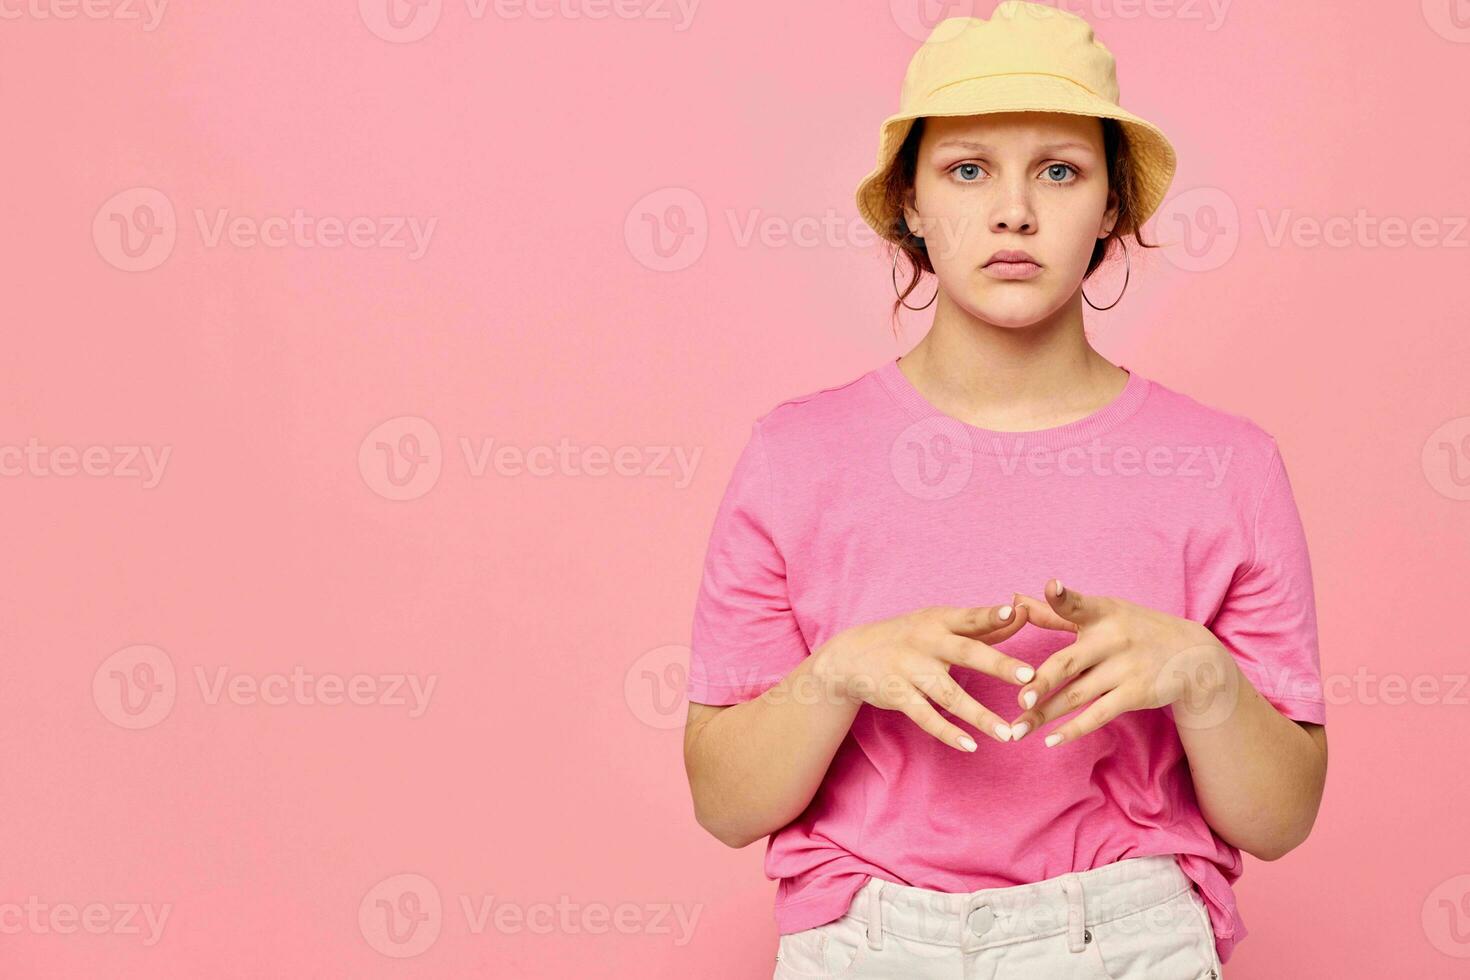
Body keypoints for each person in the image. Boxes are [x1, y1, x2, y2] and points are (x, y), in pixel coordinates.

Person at [682, 4, 1327, 977]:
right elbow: (726, 803)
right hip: (867, 940)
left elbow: (1279, 822)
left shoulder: (1226, 463)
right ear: (910, 204)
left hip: (1126, 934)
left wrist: (1203, 674)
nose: (1014, 210)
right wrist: (841, 671)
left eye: (1060, 170)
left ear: (1112, 207)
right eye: (968, 168)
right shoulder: (795, 453)